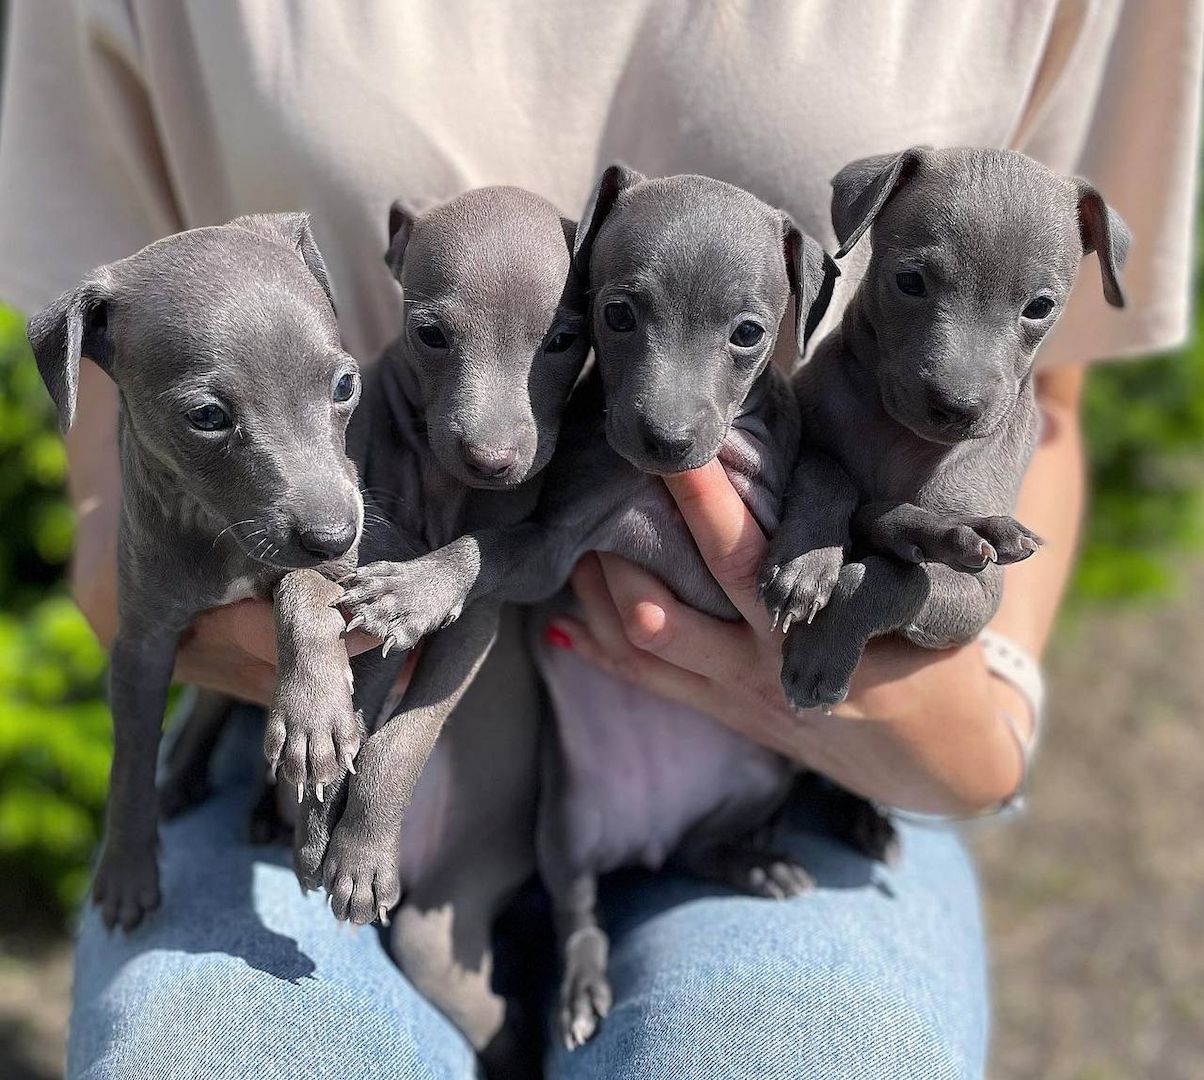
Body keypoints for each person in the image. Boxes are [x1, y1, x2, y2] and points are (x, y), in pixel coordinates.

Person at [1, 3, 1199, 1077]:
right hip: (319, 739)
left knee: (809, 1052)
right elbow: (120, 479)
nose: (506, 428)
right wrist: (310, 635)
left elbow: (1037, 414)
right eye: (613, 320)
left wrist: (975, 723)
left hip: (795, 773)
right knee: (210, 1053)